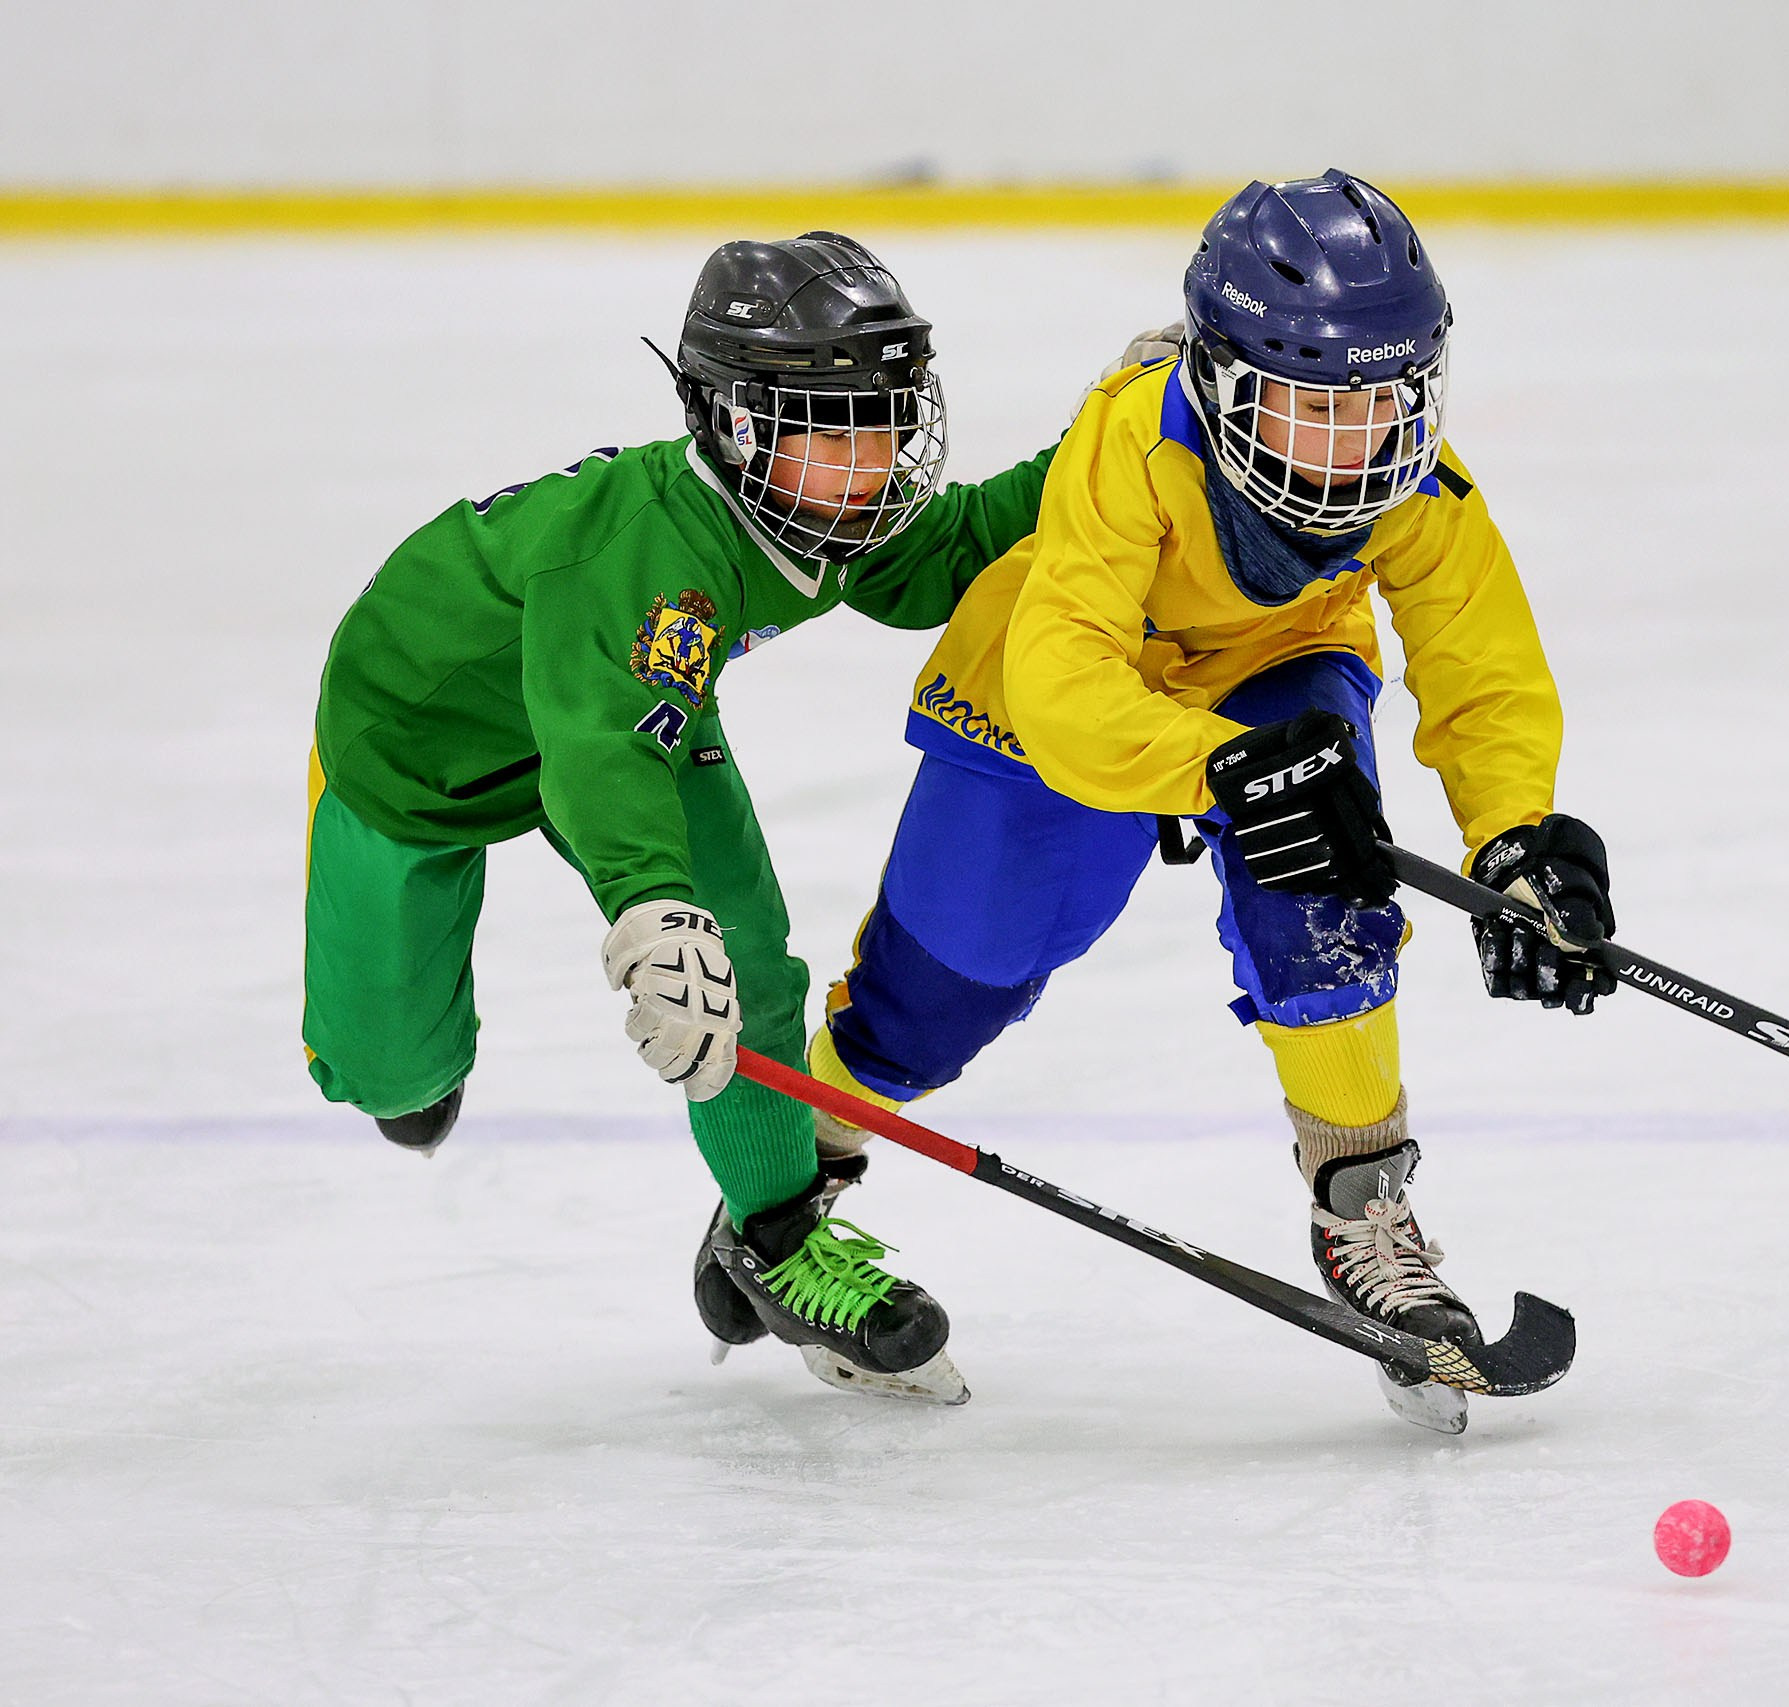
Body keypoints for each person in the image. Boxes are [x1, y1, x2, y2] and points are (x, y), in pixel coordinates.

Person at [731, 171, 1619, 1429]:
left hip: (1272, 672)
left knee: (1325, 900)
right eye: (1310, 409)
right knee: (933, 1003)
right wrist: (1218, 771)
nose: (1347, 451)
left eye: (1378, 406)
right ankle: (781, 1187)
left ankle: (1360, 1201)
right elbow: (1061, 674)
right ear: (1223, 379)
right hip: (1054, 702)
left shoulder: (1416, 484)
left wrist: (1517, 837)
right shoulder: (1133, 439)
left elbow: (1480, 663)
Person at [305, 233, 1055, 1404]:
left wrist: (1120, 445)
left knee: (746, 963)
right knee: (393, 1077)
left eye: (885, 417)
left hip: (642, 708)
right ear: (735, 424)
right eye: (827, 422)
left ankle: (773, 1239)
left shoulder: (811, 500)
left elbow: (940, 558)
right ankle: (394, 1066)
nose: (868, 457)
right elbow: (594, 744)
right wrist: (650, 908)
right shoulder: (645, 556)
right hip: (414, 753)